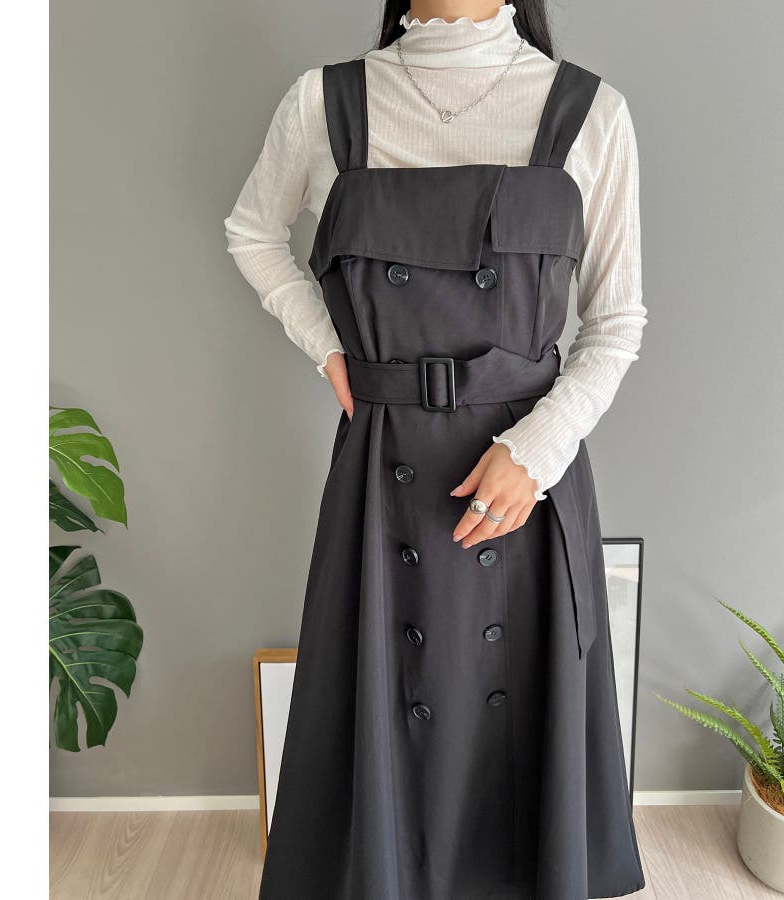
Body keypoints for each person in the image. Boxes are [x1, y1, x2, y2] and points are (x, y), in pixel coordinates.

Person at [224, 3, 648, 897]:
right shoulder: (324, 104)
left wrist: (537, 450)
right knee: (390, 717)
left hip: (523, 478)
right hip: (384, 470)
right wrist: (328, 347)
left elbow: (616, 322)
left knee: (512, 736)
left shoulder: (589, 112)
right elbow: (251, 232)